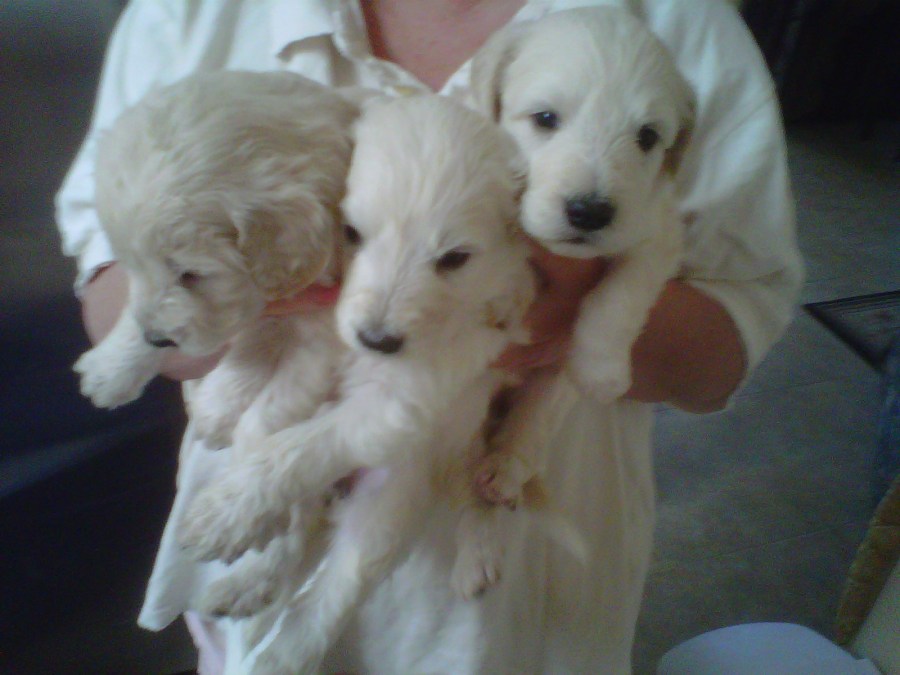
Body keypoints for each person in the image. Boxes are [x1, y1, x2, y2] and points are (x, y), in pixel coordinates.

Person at [55, 0, 803, 672]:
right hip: (244, 574)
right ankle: (280, 564)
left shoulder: (684, 25)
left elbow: (725, 344)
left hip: (508, 627)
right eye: (544, 119)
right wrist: (242, 304)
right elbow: (116, 273)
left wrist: (572, 322)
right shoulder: (185, 15)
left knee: (406, 480)